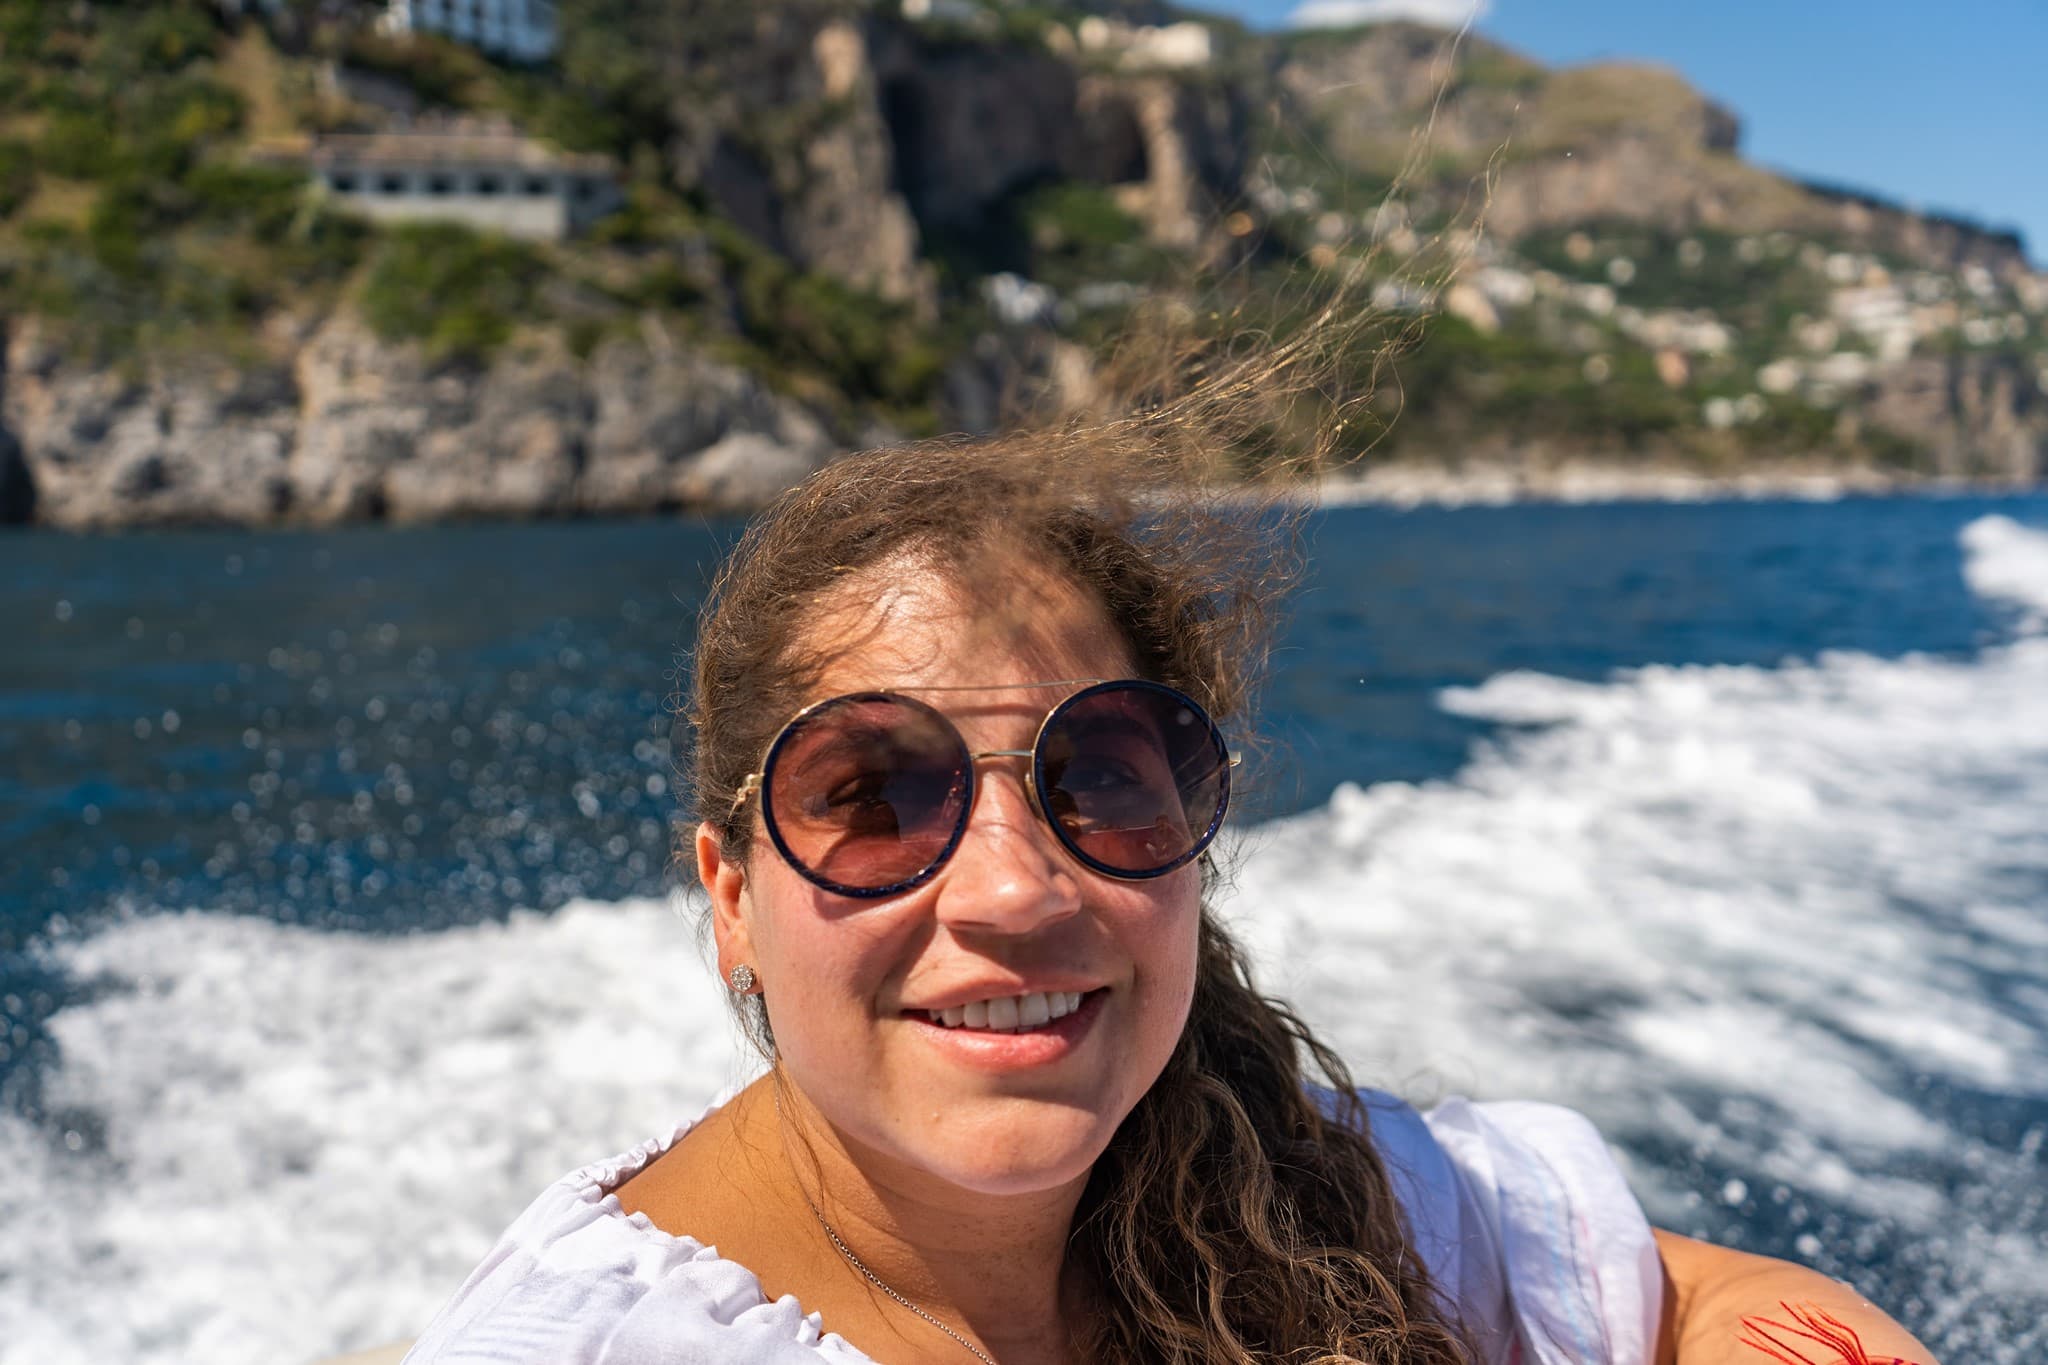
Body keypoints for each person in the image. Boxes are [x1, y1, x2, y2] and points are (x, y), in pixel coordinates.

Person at [400, 436, 1935, 1364]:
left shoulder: (1293, 1185)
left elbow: (1686, 1296)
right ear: (731, 895)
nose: (1011, 884)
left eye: (1104, 777)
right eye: (874, 795)